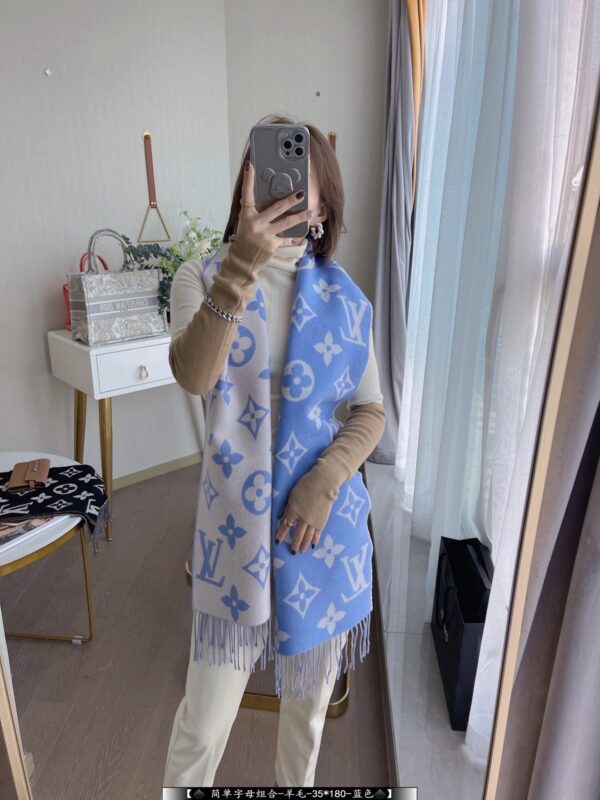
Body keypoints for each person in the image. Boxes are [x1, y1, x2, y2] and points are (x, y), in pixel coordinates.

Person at [163, 114, 386, 788]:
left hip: (320, 533)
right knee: (203, 722)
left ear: (322, 207)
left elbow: (371, 412)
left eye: (298, 181)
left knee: (306, 717)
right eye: (267, 173)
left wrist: (327, 479)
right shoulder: (201, 278)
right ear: (245, 184)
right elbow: (195, 376)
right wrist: (241, 267)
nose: (281, 191)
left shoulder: (346, 301)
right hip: (233, 534)